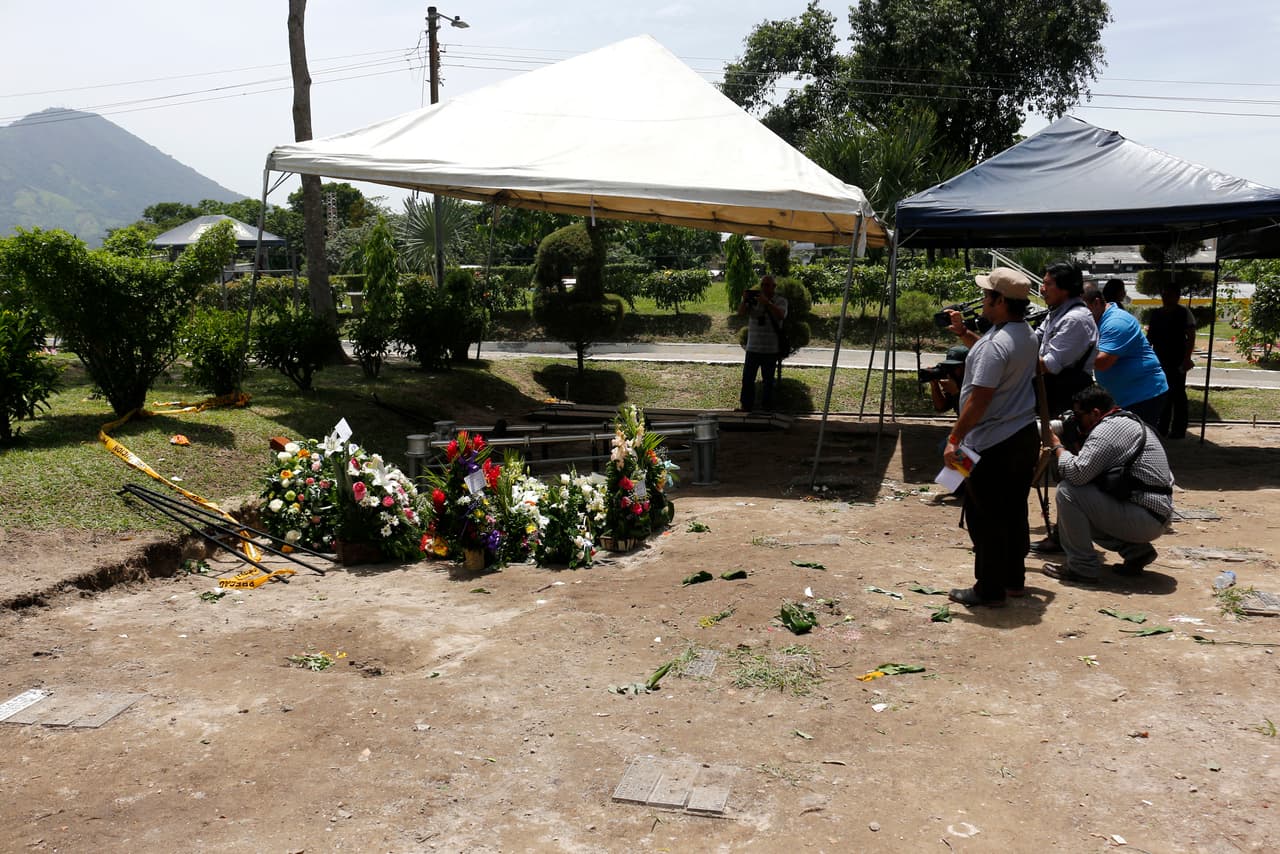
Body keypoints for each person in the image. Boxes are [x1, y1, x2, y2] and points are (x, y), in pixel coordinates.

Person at [943, 268, 1040, 608]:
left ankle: (988, 589)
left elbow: (980, 397)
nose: (982, 301)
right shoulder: (1024, 334)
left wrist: (955, 438)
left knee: (984, 517)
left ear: (1000, 301)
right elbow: (994, 359)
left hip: (992, 442)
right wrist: (965, 333)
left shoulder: (996, 345)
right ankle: (1014, 580)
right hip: (1022, 435)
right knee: (1013, 511)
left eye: (986, 296)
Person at [1041, 384, 1175, 584]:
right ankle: (1137, 552)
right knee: (1082, 508)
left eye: (1079, 416)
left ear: (1095, 413)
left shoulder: (1107, 430)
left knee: (1068, 493)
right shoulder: (1124, 420)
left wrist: (1058, 446)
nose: (1076, 421)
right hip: (1152, 514)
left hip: (1146, 517)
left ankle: (1082, 567)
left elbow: (1076, 474)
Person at [1028, 261, 1099, 555]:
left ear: (1066, 289)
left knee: (1066, 467)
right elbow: (1034, 343)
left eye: (1048, 284)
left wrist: (1010, 360)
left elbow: (1048, 364)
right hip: (1052, 396)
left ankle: (1065, 537)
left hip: (1069, 400)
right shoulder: (1057, 313)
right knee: (1055, 467)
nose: (1042, 288)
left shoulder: (1076, 320)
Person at [1083, 280, 1168, 428]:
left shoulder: (1116, 322)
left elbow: (1102, 362)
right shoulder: (1097, 320)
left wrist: (1070, 352)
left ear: (1096, 302)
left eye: (1082, 310)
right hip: (1124, 396)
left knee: (1138, 445)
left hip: (1143, 395)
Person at [1146, 282, 1197, 439]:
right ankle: (1162, 427)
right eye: (1163, 295)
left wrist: (1187, 358)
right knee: (1162, 392)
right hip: (1159, 358)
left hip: (1177, 359)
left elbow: (1191, 336)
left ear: (1177, 296)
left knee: (1178, 394)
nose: (1165, 298)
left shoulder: (1184, 313)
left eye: (1168, 295)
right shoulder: (1156, 314)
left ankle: (1179, 429)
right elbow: (1150, 338)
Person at [737, 274, 788, 412]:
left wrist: (768, 303)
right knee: (747, 380)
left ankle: (767, 408)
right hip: (753, 348)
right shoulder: (754, 300)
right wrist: (745, 300)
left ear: (774, 287)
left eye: (767, 285)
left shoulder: (780, 301)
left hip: (770, 350)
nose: (764, 288)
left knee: (768, 382)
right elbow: (741, 313)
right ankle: (746, 406)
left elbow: (781, 315)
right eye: (763, 285)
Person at [928, 345, 968, 414]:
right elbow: (941, 408)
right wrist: (934, 385)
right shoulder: (955, 380)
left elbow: (969, 414)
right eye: (948, 366)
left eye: (955, 367)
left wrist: (955, 392)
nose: (951, 371)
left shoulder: (976, 384)